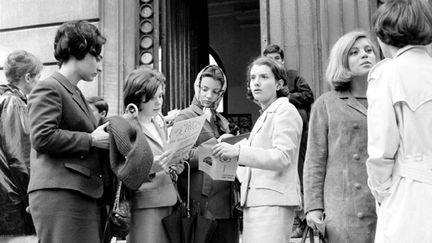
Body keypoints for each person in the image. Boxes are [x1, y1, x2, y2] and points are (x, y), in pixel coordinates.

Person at [27, 20, 110, 243]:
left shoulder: (73, 91)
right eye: (96, 56)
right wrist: (91, 139)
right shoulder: (49, 87)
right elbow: (42, 137)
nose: (99, 65)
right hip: (62, 194)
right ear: (79, 48)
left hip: (77, 193)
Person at [212, 57, 302, 243]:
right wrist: (234, 146)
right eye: (253, 78)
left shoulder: (285, 110)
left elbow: (282, 157)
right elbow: (257, 159)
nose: (256, 82)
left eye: (263, 77)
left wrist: (238, 152)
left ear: (279, 84)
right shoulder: (266, 114)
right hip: (257, 201)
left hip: (272, 202)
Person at [303, 30, 378, 242]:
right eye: (354, 52)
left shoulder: (387, 99)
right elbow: (315, 160)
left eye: (368, 50)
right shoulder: (326, 103)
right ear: (342, 61)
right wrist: (313, 207)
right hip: (343, 207)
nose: (364, 55)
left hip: (382, 203)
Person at [366, 0, 432, 242]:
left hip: (408, 189)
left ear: (383, 36)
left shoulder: (387, 73)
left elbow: (381, 149)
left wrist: (380, 192)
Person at [174, 65, 239, 243]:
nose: (209, 95)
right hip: (201, 203)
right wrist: (216, 145)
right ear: (197, 87)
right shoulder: (185, 117)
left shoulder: (222, 121)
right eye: (205, 89)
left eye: (215, 91)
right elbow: (180, 155)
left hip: (228, 201)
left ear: (221, 93)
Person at [263, 44, 314, 237]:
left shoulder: (293, 76)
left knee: (301, 174)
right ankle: (297, 220)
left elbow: (308, 95)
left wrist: (286, 96)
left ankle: (306, 219)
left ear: (282, 60)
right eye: (270, 58)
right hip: (279, 136)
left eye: (277, 58)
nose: (274, 61)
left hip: (301, 134)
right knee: (284, 175)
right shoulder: (267, 81)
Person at [124, 67, 178, 243]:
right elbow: (122, 167)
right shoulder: (127, 125)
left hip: (170, 198)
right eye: (152, 97)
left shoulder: (159, 122)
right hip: (145, 201)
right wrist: (150, 165)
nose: (158, 102)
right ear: (137, 97)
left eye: (161, 96)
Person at [0, 50, 42, 241]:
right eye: (38, 77)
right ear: (28, 77)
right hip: (13, 201)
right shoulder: (14, 103)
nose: (39, 82)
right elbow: (20, 157)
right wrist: (32, 196)